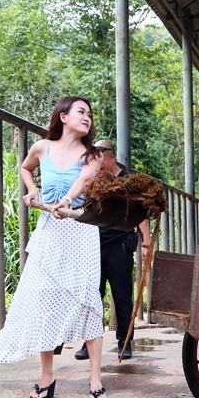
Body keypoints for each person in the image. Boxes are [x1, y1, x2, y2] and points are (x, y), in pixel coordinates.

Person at [0, 96, 108, 398]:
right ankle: (47, 376)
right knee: (44, 300)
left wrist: (66, 201)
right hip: (49, 231)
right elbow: (25, 168)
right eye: (81, 112)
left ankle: (95, 379)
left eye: (90, 114)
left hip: (80, 229)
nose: (88, 117)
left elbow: (84, 181)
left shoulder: (92, 155)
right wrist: (32, 189)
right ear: (63, 116)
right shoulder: (42, 147)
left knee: (88, 300)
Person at [75, 139, 151, 361]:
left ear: (110, 156)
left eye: (98, 154)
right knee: (92, 295)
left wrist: (145, 243)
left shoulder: (128, 181)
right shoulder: (95, 179)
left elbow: (141, 215)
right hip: (95, 244)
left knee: (122, 295)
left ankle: (124, 342)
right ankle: (88, 343)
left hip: (120, 243)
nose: (95, 159)